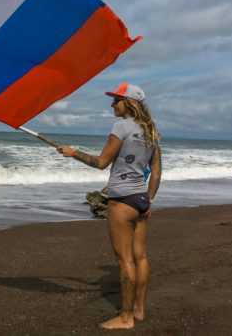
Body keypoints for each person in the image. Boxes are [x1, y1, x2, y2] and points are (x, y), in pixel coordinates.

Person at [57, 83, 161, 330]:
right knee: (141, 256)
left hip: (122, 201)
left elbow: (102, 162)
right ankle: (139, 310)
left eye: (116, 100)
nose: (112, 104)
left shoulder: (121, 127)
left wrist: (73, 153)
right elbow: (156, 171)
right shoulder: (151, 131)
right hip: (140, 200)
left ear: (129, 103)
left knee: (124, 259)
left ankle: (125, 319)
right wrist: (150, 199)